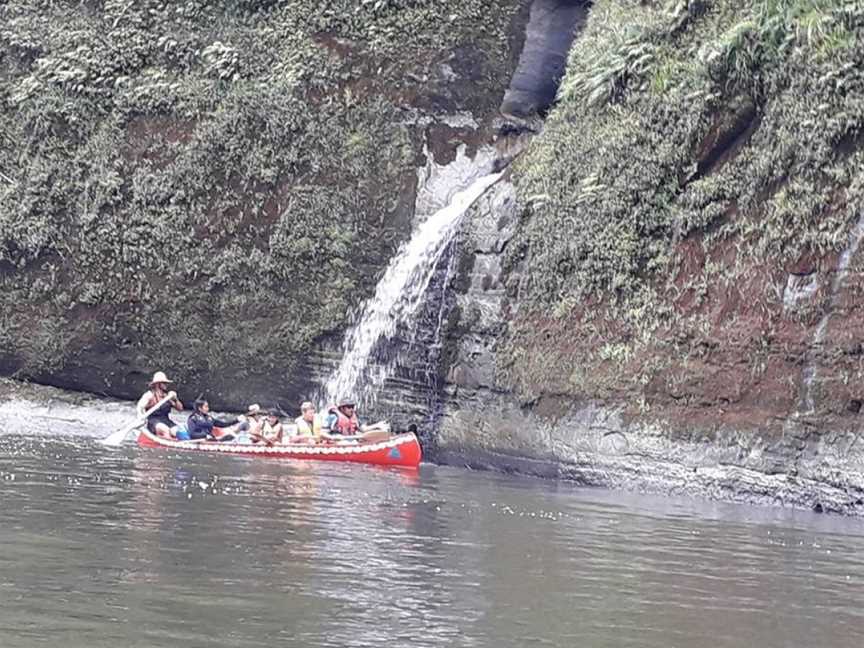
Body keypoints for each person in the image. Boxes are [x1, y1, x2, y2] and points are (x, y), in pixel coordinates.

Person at [136, 371, 183, 438]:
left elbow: (180, 409)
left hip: (166, 420)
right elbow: (140, 407)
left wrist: (175, 399)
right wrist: (141, 418)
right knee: (165, 430)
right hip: (153, 421)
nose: (166, 385)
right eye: (164, 383)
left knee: (178, 431)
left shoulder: (168, 396)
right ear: (158, 384)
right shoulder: (149, 395)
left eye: (166, 383)